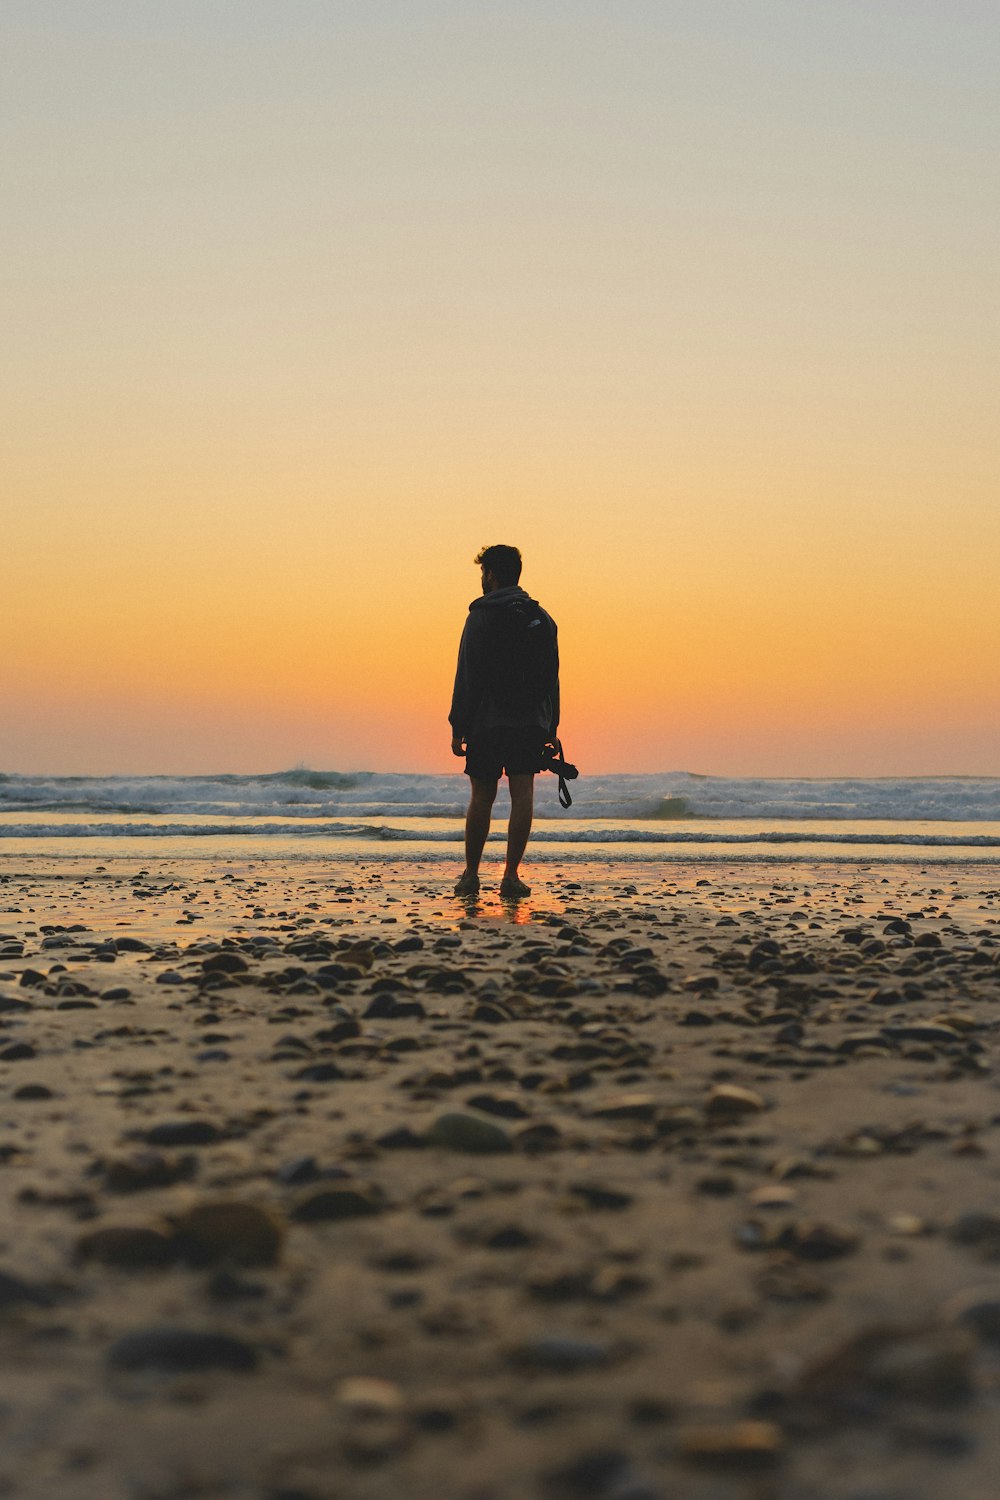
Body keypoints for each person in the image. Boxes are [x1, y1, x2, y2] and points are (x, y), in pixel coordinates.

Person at [449, 544, 559, 898]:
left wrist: (457, 724)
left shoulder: (480, 617)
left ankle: (470, 875)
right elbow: (552, 679)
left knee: (482, 795)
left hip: (487, 723)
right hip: (529, 723)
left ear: (492, 574)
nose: (482, 579)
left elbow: (466, 673)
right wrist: (551, 727)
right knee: (522, 793)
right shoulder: (541, 618)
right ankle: (510, 876)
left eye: (484, 573)